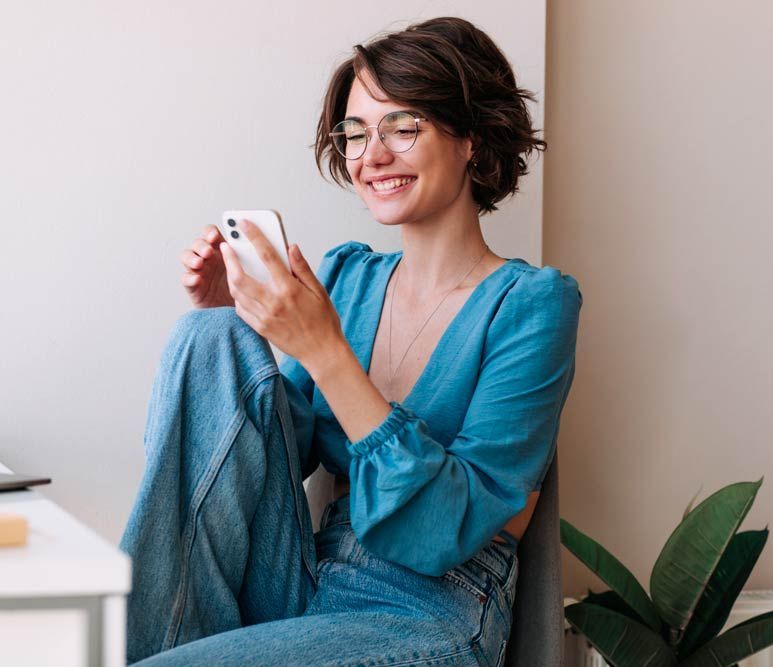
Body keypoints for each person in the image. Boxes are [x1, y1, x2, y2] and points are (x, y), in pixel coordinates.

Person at [119, 16, 582, 666]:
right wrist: (239, 324)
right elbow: (279, 452)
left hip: (429, 608)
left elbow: (447, 529)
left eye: (402, 127)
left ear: (472, 138)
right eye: (356, 133)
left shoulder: (532, 306)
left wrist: (326, 350)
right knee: (209, 336)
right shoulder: (348, 276)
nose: (370, 156)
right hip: (306, 578)